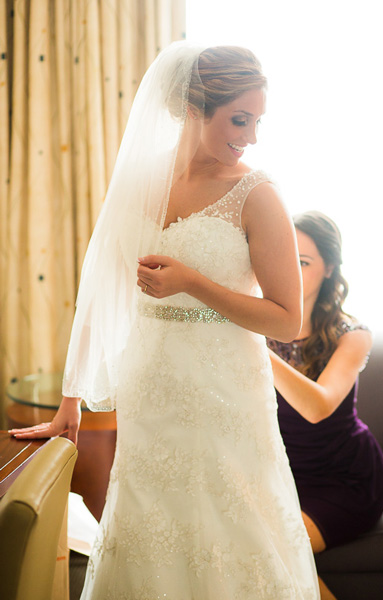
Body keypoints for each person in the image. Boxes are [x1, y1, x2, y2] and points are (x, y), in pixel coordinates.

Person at [10, 43, 319, 598]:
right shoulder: (141, 180)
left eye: (256, 122)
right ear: (194, 106)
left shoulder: (258, 194)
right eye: (239, 119)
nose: (249, 136)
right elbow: (98, 294)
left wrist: (194, 282)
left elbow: (287, 320)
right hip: (150, 384)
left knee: (231, 528)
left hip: (226, 391)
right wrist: (69, 403)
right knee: (149, 523)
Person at [266, 210, 383, 599]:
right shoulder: (256, 324)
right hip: (280, 478)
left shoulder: (351, 335)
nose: (289, 270)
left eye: (303, 262)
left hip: (345, 479)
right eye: (282, 258)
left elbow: (318, 407)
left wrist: (253, 346)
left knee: (274, 551)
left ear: (329, 268)